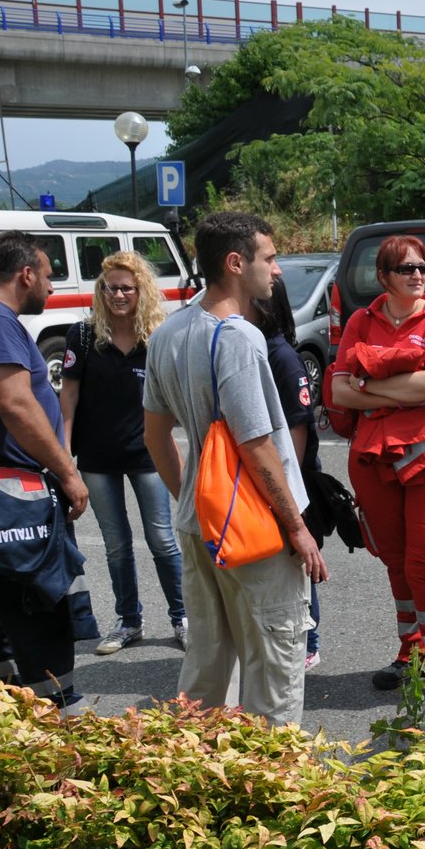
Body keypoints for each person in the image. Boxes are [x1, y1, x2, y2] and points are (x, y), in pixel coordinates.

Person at [144, 213, 327, 726]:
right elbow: (257, 447)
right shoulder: (238, 337)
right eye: (269, 258)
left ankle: (193, 779)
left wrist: (193, 498)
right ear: (235, 262)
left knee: (206, 664)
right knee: (273, 668)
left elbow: (154, 436)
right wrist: (297, 527)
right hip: (256, 532)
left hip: (199, 523)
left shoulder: (168, 332)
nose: (277, 271)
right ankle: (273, 787)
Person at [328, 234, 425, 710]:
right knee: (396, 560)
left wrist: (372, 385)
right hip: (374, 459)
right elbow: (339, 392)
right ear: (383, 277)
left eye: (423, 267)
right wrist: (405, 390)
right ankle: (412, 652)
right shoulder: (360, 319)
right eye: (406, 269)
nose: (418, 275)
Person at [0, 231, 91, 710]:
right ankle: (58, 727)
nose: (51, 287)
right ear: (25, 274)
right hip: (12, 500)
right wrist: (67, 472)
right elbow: (16, 406)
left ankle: (5, 723)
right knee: (36, 614)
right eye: (48, 275)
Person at [61, 252, 186, 656]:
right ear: (101, 291)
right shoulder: (82, 336)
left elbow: (175, 399)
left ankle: (183, 618)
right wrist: (64, 460)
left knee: (163, 540)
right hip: (96, 459)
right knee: (116, 545)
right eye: (110, 287)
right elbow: (69, 400)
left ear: (140, 292)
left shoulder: (158, 335)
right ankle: (129, 620)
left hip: (147, 454)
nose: (117, 295)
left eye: (126, 288)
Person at [249, 277, 326, 669]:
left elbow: (297, 429)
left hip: (291, 477)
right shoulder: (255, 349)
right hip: (271, 478)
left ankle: (308, 641)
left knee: (298, 557)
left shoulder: (282, 356)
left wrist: (284, 488)